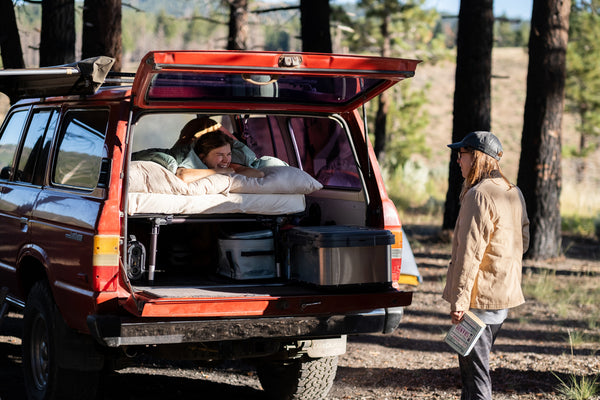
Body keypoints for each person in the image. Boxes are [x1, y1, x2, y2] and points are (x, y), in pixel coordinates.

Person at [443, 131, 530, 400]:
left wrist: (459, 302)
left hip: (477, 301)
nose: (458, 161)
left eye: (462, 155)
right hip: (500, 299)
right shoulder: (513, 191)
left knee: (477, 378)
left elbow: (469, 254)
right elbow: (523, 239)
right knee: (472, 376)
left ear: (477, 158)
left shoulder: (478, 195)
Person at [175, 129, 264, 183]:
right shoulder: (192, 159)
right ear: (203, 157)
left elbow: (259, 173)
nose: (226, 160)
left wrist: (228, 171)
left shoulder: (230, 165)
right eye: (220, 155)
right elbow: (183, 176)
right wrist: (217, 171)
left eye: (229, 154)